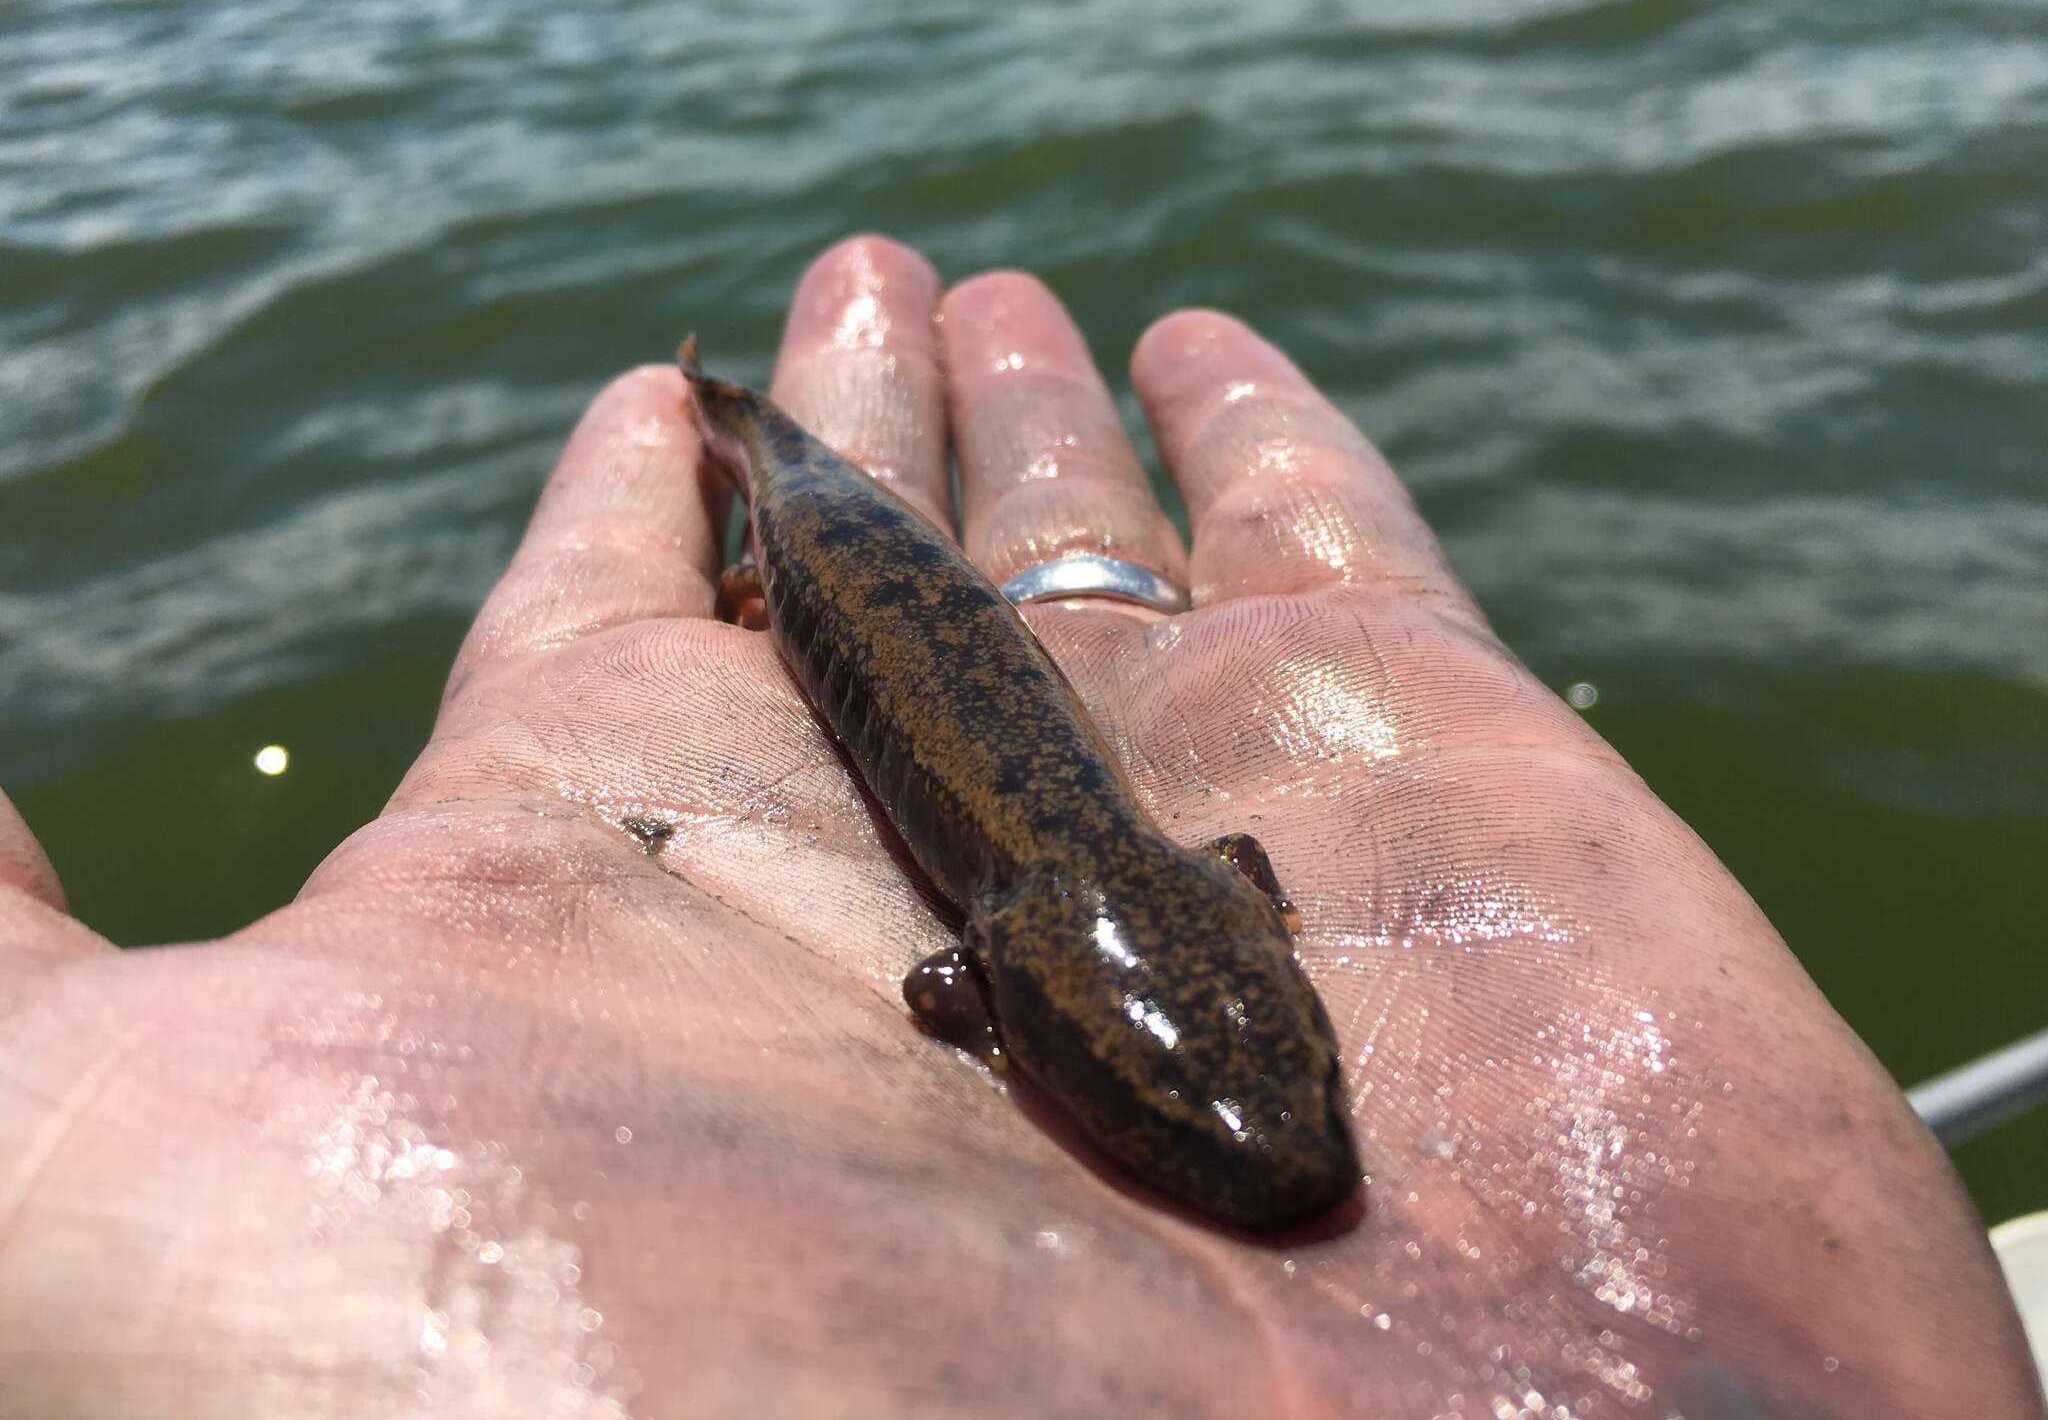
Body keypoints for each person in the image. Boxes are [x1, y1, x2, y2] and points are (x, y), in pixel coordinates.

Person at [0, 236, 2036, 1419]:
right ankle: (743, 455)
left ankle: (755, 459)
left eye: (1257, 1092)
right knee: (797, 499)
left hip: (932, 640)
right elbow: (962, 972)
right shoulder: (1062, 930)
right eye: (1172, 1119)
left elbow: (1017, 965)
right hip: (847, 558)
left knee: (818, 506)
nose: (1277, 1152)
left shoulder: (1090, 928)